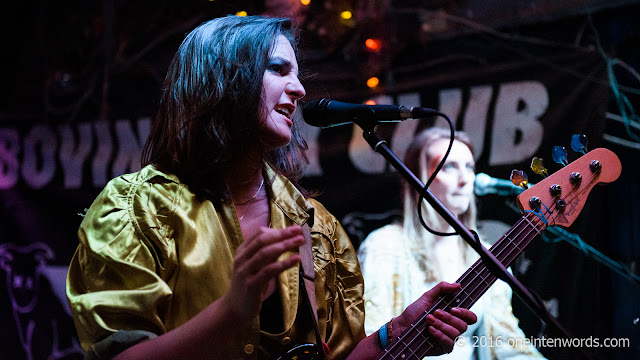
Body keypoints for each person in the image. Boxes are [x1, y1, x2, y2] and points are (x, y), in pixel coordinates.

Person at [65, 16, 476, 360]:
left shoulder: (318, 228)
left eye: (298, 75)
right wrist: (232, 310)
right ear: (222, 78)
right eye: (278, 70)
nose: (298, 89)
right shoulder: (135, 208)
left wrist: (397, 333)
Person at [357, 127, 545, 359]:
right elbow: (370, 334)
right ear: (418, 178)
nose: (465, 179)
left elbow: (506, 343)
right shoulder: (384, 246)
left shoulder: (485, 256)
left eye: (469, 167)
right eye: (449, 167)